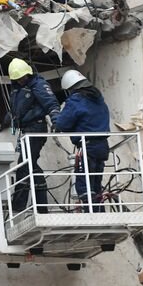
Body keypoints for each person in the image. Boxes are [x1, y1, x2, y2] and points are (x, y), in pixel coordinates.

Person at [8, 58, 60, 214]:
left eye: (22, 77)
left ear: (28, 74)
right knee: (32, 166)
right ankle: (41, 206)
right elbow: (17, 110)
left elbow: (52, 104)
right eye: (18, 78)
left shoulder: (38, 85)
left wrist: (56, 121)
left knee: (24, 164)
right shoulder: (17, 88)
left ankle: (18, 206)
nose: (21, 80)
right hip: (26, 130)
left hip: (36, 128)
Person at [56, 70, 110, 211]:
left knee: (84, 185)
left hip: (87, 147)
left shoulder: (76, 100)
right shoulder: (99, 100)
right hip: (102, 146)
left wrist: (56, 119)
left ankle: (92, 215)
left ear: (71, 88)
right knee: (95, 184)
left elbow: (63, 124)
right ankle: (100, 215)